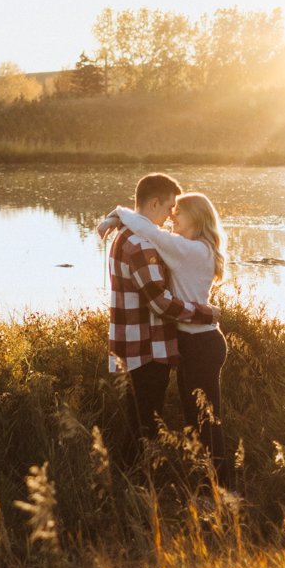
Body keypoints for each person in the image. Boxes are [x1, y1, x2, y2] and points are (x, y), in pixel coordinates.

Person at [96, 173, 228, 481]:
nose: (171, 217)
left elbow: (147, 229)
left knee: (203, 421)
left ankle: (219, 488)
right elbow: (162, 303)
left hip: (191, 344)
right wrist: (205, 313)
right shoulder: (148, 243)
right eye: (170, 208)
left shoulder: (181, 248)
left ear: (197, 218)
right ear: (155, 202)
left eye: (178, 212)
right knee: (169, 423)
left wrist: (115, 217)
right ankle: (141, 485)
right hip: (156, 346)